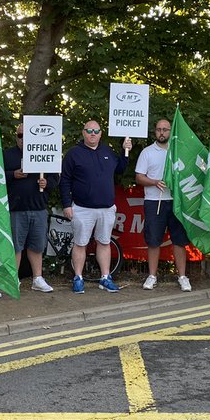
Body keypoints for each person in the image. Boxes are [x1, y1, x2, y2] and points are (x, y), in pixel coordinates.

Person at [60, 120, 130, 293]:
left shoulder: (107, 151)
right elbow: (65, 181)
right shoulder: (73, 153)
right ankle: (78, 278)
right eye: (89, 130)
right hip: (82, 208)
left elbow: (120, 169)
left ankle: (105, 278)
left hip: (106, 208)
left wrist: (125, 151)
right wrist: (67, 205)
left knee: (104, 242)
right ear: (83, 133)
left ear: (100, 133)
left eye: (96, 130)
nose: (92, 133)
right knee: (80, 243)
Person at [134, 118, 191, 292]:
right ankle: (152, 276)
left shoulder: (179, 151)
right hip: (154, 201)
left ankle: (182, 276)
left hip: (176, 201)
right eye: (159, 129)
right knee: (153, 240)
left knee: (179, 240)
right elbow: (139, 177)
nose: (162, 132)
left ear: (170, 131)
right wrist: (154, 182)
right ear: (155, 132)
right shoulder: (147, 152)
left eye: (165, 129)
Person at [4, 123, 58, 293]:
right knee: (15, 246)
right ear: (16, 136)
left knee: (37, 245)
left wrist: (47, 183)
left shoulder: (45, 153)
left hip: (39, 208)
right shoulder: (7, 155)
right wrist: (13, 174)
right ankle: (13, 279)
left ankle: (38, 278)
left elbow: (56, 178)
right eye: (20, 135)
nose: (23, 139)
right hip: (16, 208)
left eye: (27, 136)